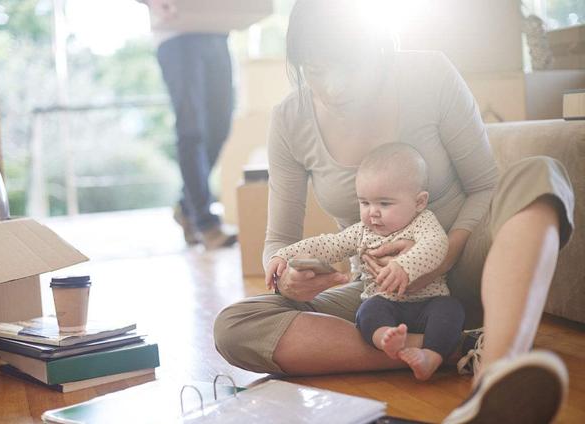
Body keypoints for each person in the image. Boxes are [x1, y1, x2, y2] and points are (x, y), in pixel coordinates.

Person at [213, 1, 575, 422]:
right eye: (315, 71)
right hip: (380, 294)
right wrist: (287, 276)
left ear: (378, 50)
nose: (334, 87)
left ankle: (495, 375)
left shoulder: (429, 75)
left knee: (541, 174)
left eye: (349, 68)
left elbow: (484, 186)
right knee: (235, 326)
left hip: (472, 261)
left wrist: (444, 254)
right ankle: (453, 348)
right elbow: (279, 241)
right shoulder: (290, 120)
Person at [269, 144, 465, 381]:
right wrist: (285, 255)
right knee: (368, 312)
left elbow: (436, 245)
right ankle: (386, 339)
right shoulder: (361, 231)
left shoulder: (423, 222)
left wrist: (405, 266)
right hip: (384, 302)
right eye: (365, 203)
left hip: (428, 302)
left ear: (419, 202)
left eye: (384, 204)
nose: (373, 212)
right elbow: (328, 245)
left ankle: (430, 358)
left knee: (451, 310)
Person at [140, 0, 237, 249]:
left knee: (220, 126)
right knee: (191, 131)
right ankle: (206, 224)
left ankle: (186, 207)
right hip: (176, 35)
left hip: (216, 31)